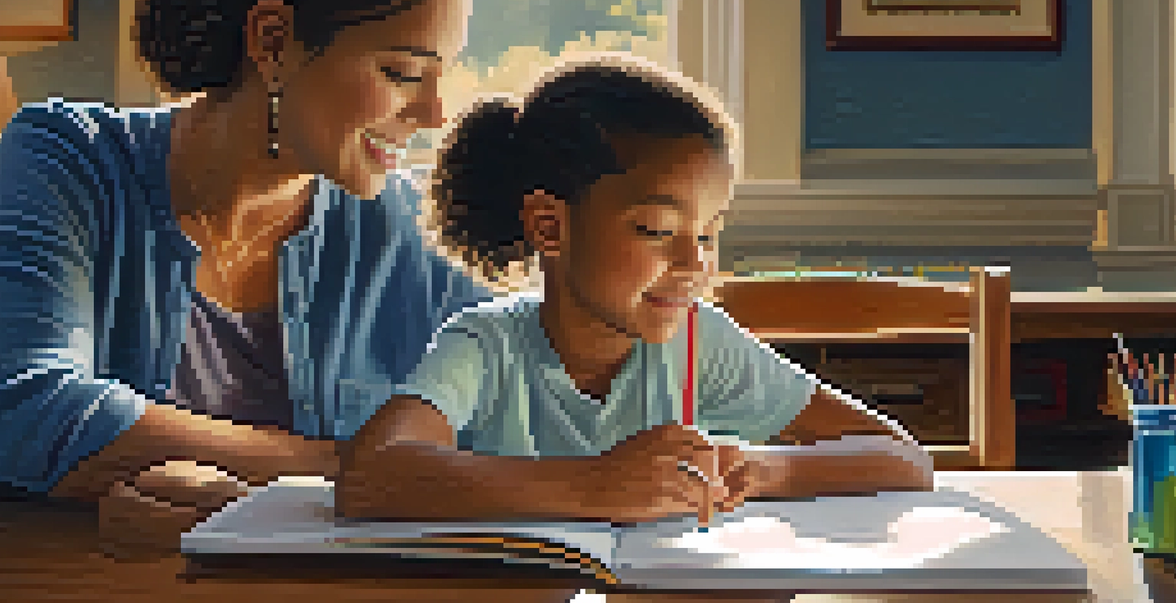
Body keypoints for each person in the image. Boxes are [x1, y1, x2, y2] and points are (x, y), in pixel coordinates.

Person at [0, 0, 493, 527]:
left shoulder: (410, 229)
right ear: (274, 42)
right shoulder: (70, 159)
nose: (437, 113)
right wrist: (362, 469)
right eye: (403, 71)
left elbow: (521, 433)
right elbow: (22, 412)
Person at [338, 55, 936, 525]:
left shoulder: (700, 342)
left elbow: (901, 457)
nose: (694, 261)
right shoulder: (486, 346)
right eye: (656, 230)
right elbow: (370, 475)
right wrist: (593, 485)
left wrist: (759, 469)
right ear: (551, 225)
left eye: (708, 233)